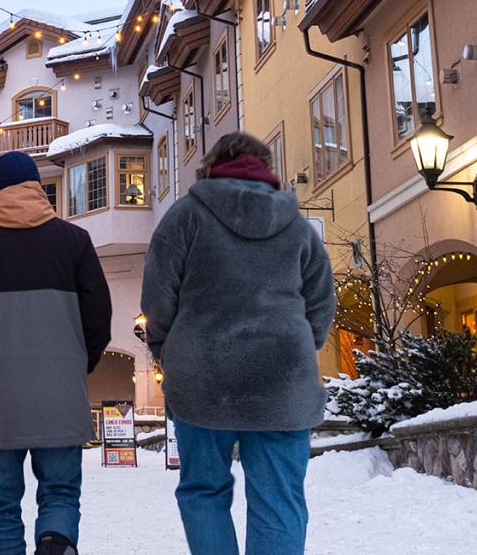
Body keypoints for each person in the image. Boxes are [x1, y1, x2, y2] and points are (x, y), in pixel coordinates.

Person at [141, 132, 336, 555]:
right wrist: (297, 348)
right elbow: (321, 301)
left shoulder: (185, 217)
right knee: (279, 499)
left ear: (209, 167)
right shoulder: (298, 228)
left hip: (202, 377)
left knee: (203, 491)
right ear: (269, 172)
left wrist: (167, 351)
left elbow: (158, 298)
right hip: (282, 381)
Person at [0, 151, 113, 555]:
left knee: (0, 506)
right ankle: (55, 543)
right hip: (59, 392)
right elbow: (99, 316)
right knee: (60, 493)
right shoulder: (74, 241)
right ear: (37, 187)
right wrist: (77, 365)